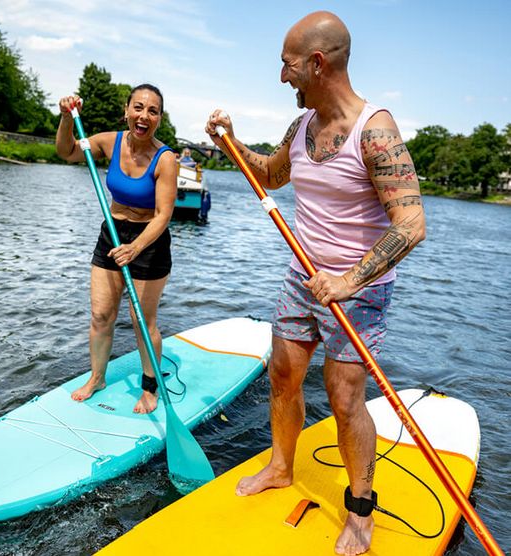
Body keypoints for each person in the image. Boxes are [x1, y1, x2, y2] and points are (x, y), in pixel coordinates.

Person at [205, 11, 426, 556]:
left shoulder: (375, 130)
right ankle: (281, 467)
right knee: (282, 373)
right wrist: (231, 143)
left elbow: (412, 224)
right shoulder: (301, 127)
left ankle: (359, 512)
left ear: (317, 63)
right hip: (303, 275)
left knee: (344, 396)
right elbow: (270, 175)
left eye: (287, 65)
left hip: (361, 287)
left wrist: (350, 279)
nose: (282, 77)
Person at [56, 84, 177, 414]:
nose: (144, 115)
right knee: (101, 315)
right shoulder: (110, 141)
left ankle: (150, 386)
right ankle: (97, 377)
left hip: (148, 241)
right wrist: (67, 118)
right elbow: (67, 152)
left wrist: (135, 247)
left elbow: (164, 214)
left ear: (159, 119)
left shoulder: (165, 159)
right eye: (138, 107)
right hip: (112, 232)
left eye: (152, 111)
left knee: (141, 319)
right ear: (126, 110)